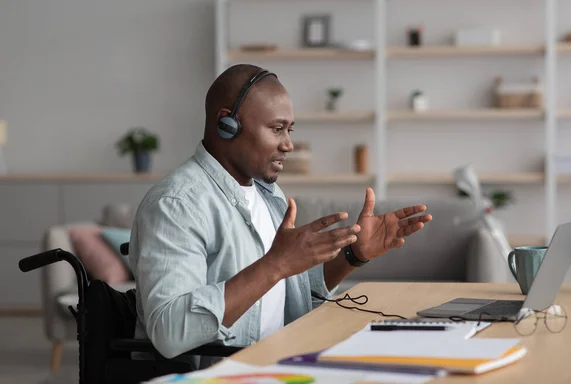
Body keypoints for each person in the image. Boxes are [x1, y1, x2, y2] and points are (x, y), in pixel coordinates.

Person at [129, 64, 432, 367]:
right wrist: (277, 264)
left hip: (281, 368)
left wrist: (352, 255)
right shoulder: (176, 205)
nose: (288, 144)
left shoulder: (268, 195)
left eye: (290, 130)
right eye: (276, 129)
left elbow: (292, 300)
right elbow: (168, 331)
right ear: (227, 124)